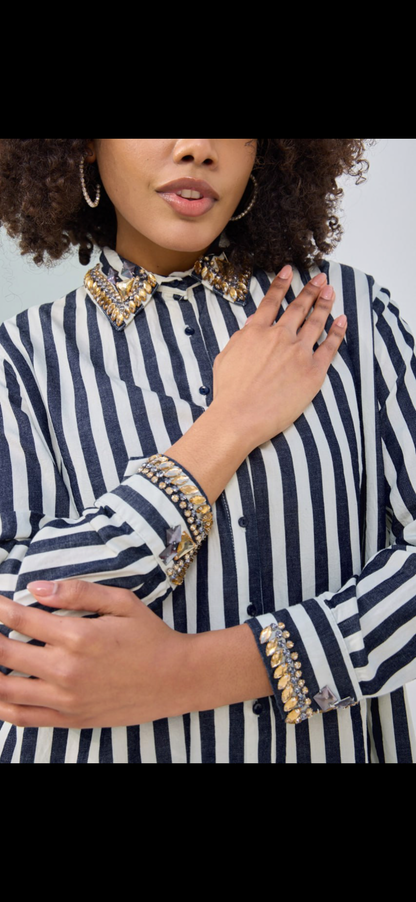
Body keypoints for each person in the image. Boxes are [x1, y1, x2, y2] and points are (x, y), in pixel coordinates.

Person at [0, 138, 414, 764]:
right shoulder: (19, 362)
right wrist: (227, 426)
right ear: (82, 147)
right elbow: (19, 637)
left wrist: (192, 672)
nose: (196, 148)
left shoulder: (346, 318)